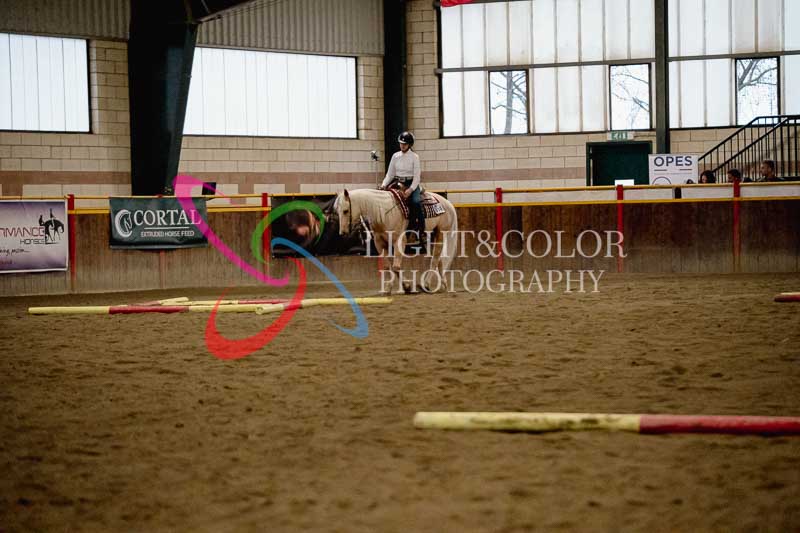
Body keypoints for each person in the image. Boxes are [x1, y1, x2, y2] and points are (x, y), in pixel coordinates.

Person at [381, 131, 424, 238]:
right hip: (398, 183)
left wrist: (410, 189)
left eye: (405, 144)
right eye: (401, 143)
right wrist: (384, 184)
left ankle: (419, 226)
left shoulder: (415, 157)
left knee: (415, 201)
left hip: (411, 183)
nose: (402, 145)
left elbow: (417, 177)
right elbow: (390, 174)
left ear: (409, 145)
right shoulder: (395, 156)